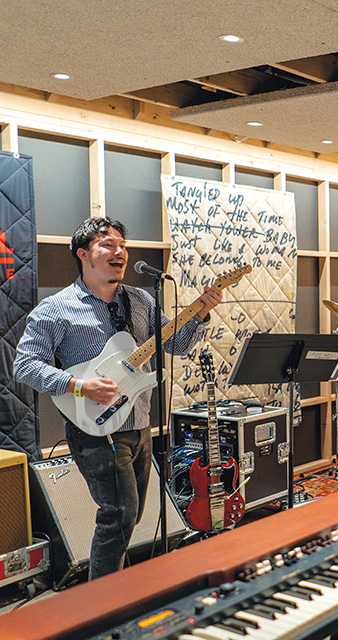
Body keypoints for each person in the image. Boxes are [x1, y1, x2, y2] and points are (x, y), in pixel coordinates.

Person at [14, 217, 222, 580]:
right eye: (108, 244)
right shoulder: (57, 308)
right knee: (119, 515)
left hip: (139, 424)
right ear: (83, 254)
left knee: (131, 515)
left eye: (123, 245)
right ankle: (103, 608)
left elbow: (177, 344)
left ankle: (116, 590)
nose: (120, 252)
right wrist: (79, 386)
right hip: (95, 430)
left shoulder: (140, 300)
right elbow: (24, 365)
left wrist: (201, 311)